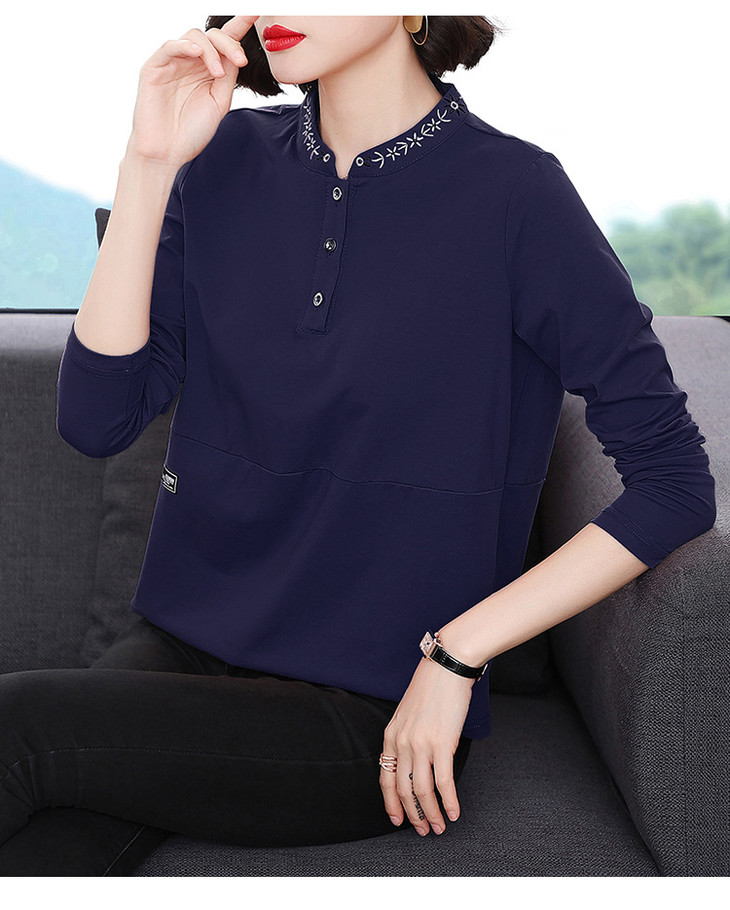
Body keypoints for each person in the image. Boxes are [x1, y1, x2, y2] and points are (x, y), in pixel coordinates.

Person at [0, 15, 716, 876]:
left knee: (18, 729)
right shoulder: (220, 160)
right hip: (183, 651)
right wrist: (149, 164)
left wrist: (458, 652)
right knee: (43, 853)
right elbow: (95, 420)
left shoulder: (517, 196)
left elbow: (674, 482)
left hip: (369, 710)